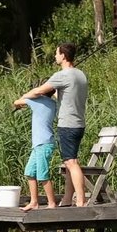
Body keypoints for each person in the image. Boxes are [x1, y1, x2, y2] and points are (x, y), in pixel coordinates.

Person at [19, 43, 88, 207]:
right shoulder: (81, 75)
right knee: (70, 161)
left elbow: (39, 91)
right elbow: (63, 95)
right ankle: (67, 198)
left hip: (68, 124)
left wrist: (24, 97)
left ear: (63, 56)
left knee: (71, 162)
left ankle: (80, 200)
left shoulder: (62, 75)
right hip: (79, 123)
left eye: (56, 54)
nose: (55, 56)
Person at [13, 85, 57, 211]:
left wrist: (28, 95)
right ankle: (34, 202)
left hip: (43, 143)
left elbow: (17, 101)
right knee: (30, 172)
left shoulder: (36, 101)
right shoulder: (53, 103)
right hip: (40, 144)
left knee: (42, 175)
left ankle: (52, 203)